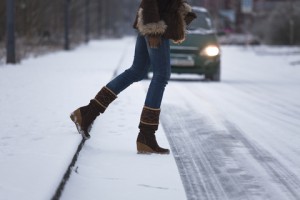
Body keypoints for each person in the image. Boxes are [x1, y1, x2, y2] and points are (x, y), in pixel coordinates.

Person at [70, 0, 196, 154]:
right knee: (161, 75)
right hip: (155, 26)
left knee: (137, 71)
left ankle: (87, 113)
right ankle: (146, 135)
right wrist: (153, 31)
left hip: (152, 23)